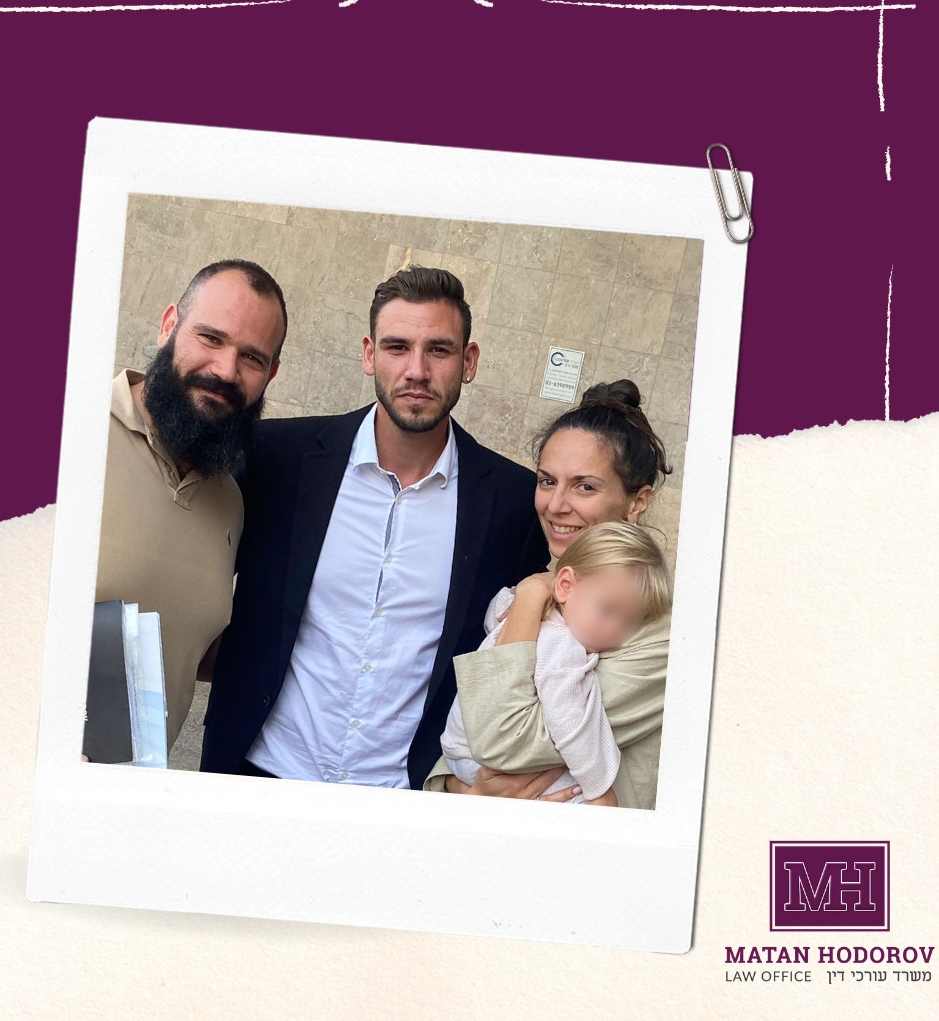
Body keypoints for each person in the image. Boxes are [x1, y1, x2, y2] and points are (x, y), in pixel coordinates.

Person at [200, 266, 548, 788]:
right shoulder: (277, 457)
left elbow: (518, 654)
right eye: (397, 347)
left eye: (439, 350)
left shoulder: (513, 502)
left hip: (402, 794)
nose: (416, 370)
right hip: (258, 774)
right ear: (369, 354)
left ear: (469, 362)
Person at [424, 379, 673, 809]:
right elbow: (463, 731)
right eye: (546, 481)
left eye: (585, 486)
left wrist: (530, 596)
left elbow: (502, 739)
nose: (555, 505)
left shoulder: (659, 633)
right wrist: (461, 789)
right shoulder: (543, 585)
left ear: (638, 502)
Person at [92, 258, 287, 752]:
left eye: (251, 358)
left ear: (271, 374)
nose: (225, 370)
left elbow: (186, 647)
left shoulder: (230, 503)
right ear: (169, 326)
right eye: (211, 338)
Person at [440, 520, 671, 805]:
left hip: (457, 752)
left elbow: (494, 616)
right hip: (480, 761)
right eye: (608, 610)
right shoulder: (564, 645)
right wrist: (599, 789)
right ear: (564, 586)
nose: (615, 630)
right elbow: (570, 721)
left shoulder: (526, 613)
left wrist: (529, 593)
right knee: (579, 794)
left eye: (631, 623)